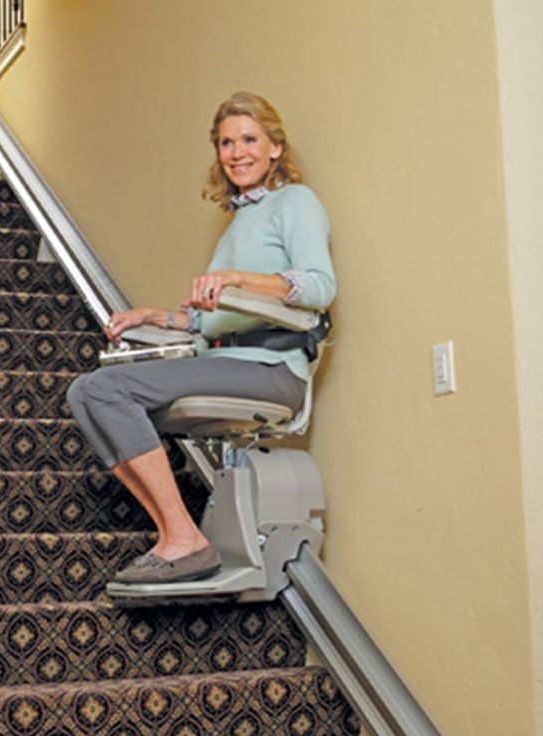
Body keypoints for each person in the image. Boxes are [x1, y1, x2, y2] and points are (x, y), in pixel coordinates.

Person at [66, 92, 336, 585]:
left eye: (250, 139)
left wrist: (237, 279)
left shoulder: (293, 202)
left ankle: (183, 539)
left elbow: (319, 286)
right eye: (226, 143)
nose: (237, 152)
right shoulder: (238, 222)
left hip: (272, 371)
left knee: (108, 390)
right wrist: (161, 317)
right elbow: (212, 325)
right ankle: (178, 534)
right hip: (232, 360)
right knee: (84, 392)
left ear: (275, 146)